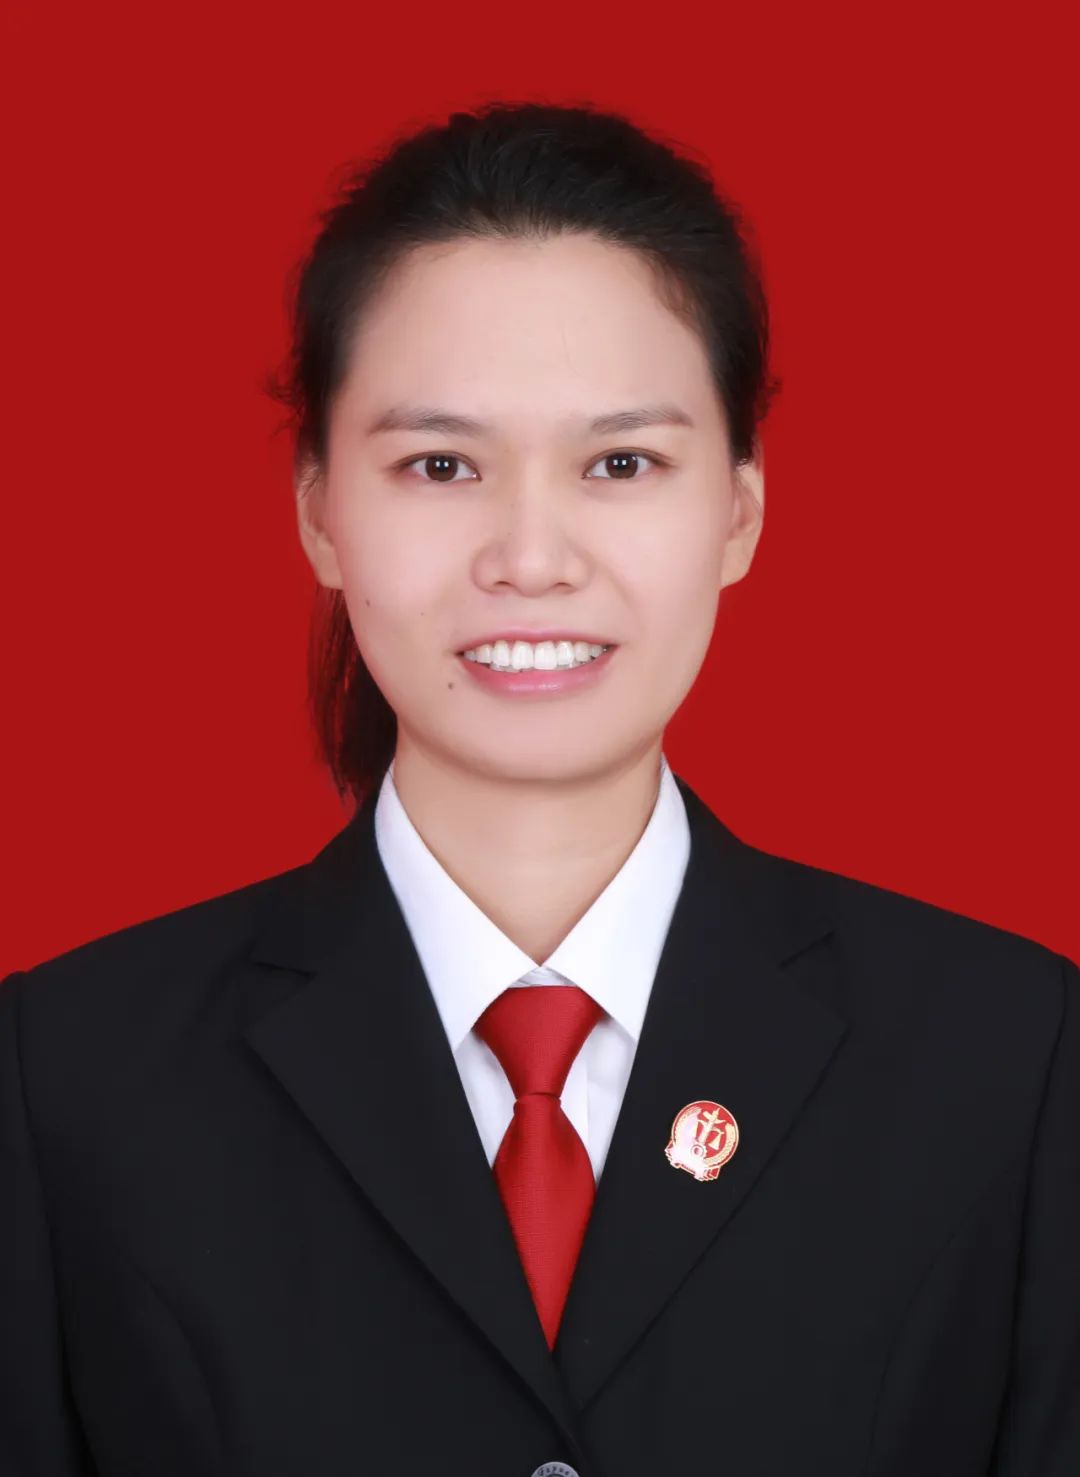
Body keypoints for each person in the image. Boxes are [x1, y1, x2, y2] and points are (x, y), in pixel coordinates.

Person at [1, 99, 1076, 1477]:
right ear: (319, 507)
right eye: (440, 465)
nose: (529, 555)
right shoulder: (69, 1078)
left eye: (620, 463)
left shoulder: (1008, 1059)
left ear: (739, 507)